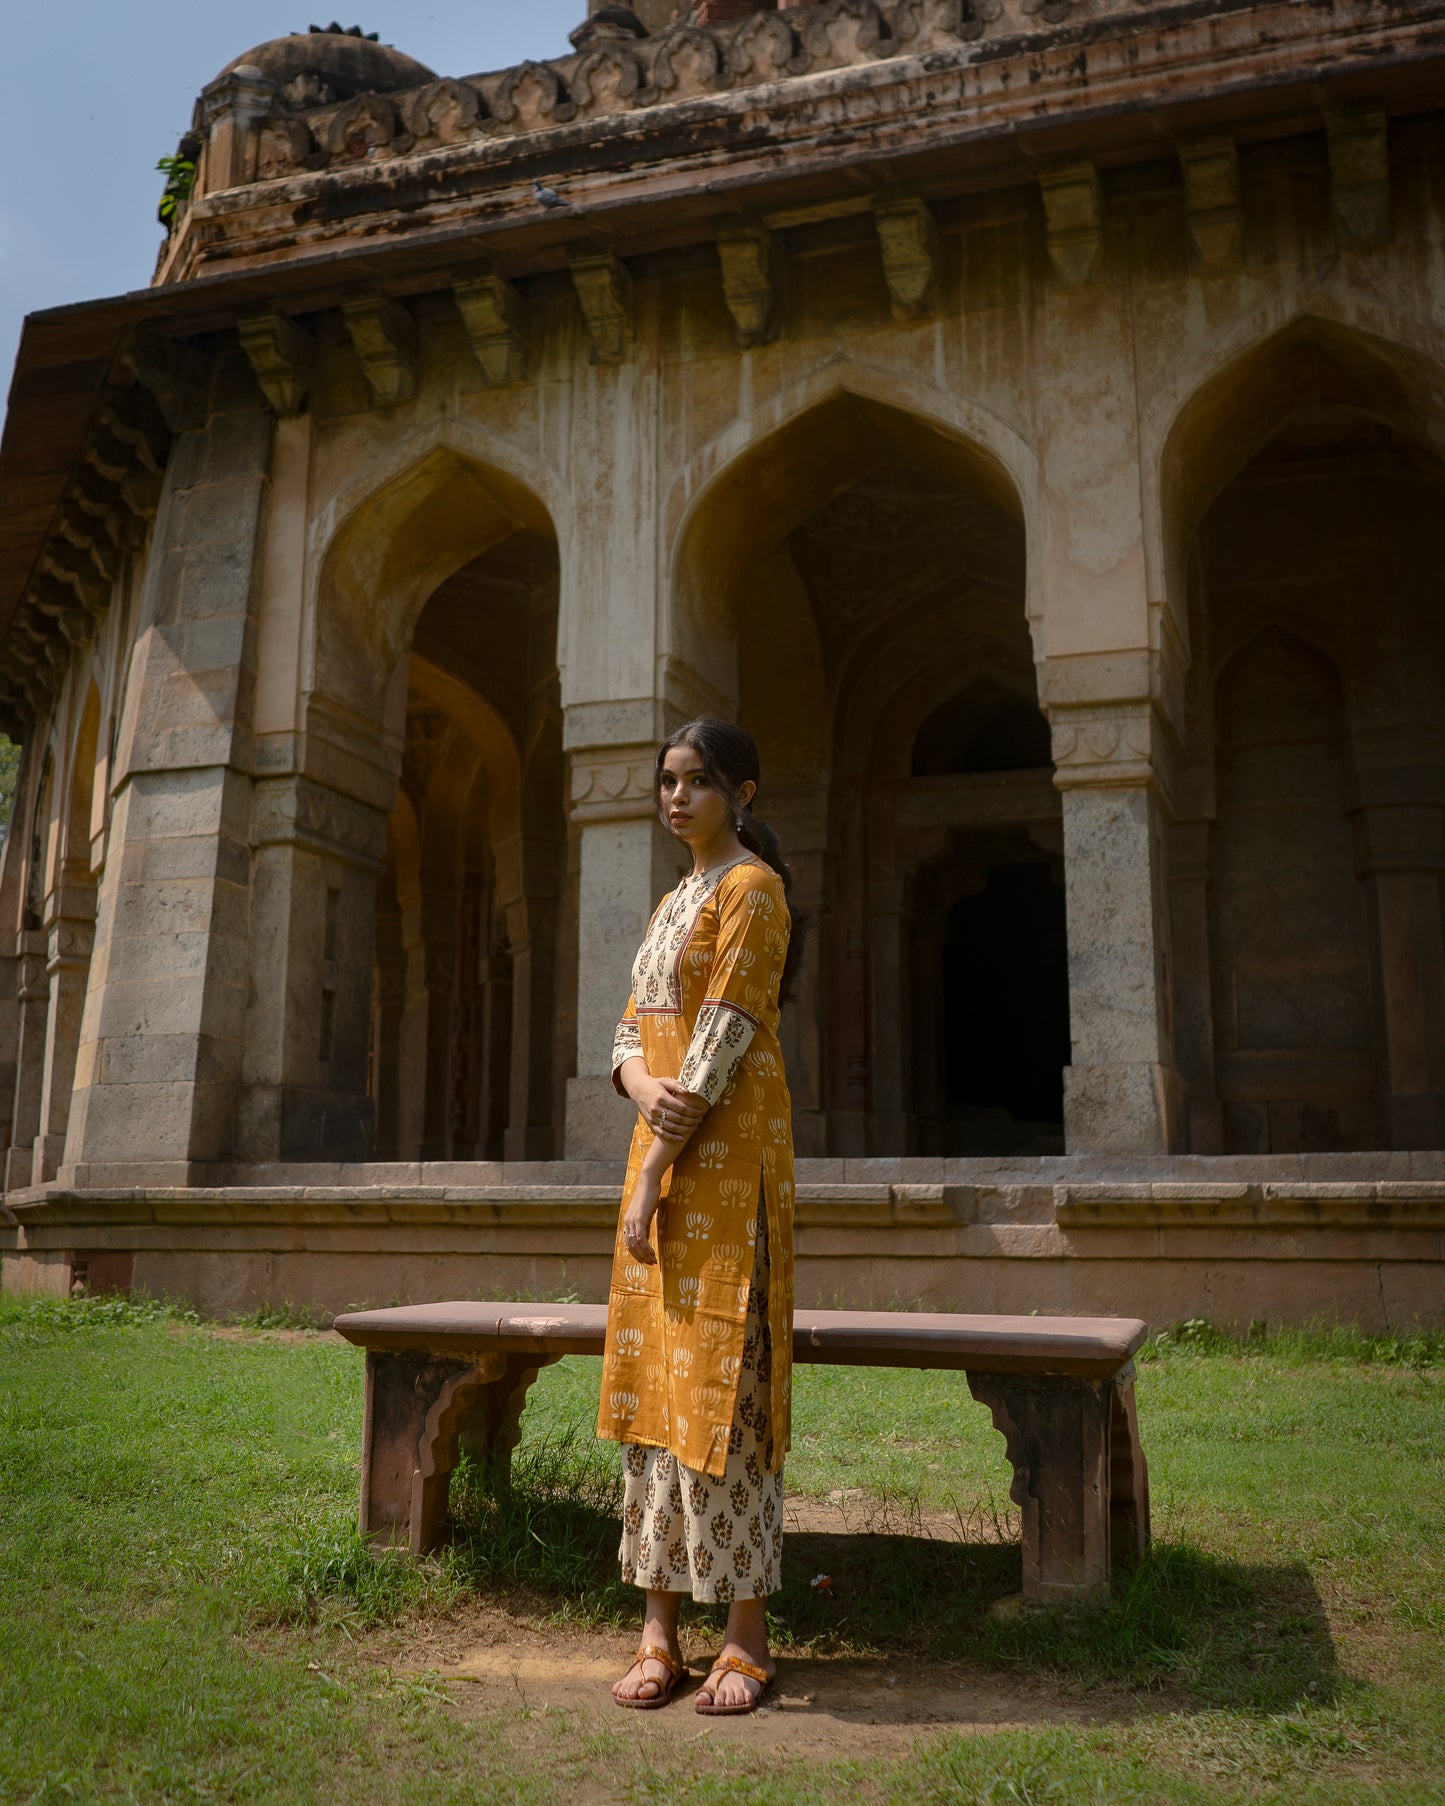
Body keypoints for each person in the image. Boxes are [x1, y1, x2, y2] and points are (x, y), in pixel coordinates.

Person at [596, 717, 800, 1715]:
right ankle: (655, 1630)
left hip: (721, 1174)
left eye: (697, 782)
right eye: (666, 782)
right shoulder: (673, 898)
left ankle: (744, 1635)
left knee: (727, 1393)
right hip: (660, 1152)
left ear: (742, 793)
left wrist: (649, 1176)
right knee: (654, 1401)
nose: (675, 797)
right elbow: (633, 1026)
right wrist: (635, 1083)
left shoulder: (751, 893)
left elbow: (717, 1043)